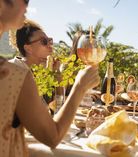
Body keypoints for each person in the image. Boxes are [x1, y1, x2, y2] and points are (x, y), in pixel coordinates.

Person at [0, 1, 100, 157]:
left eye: (50, 41)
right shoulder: (15, 73)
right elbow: (52, 136)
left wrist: (57, 76)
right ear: (27, 48)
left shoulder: (23, 71)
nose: (50, 46)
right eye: (44, 42)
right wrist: (80, 87)